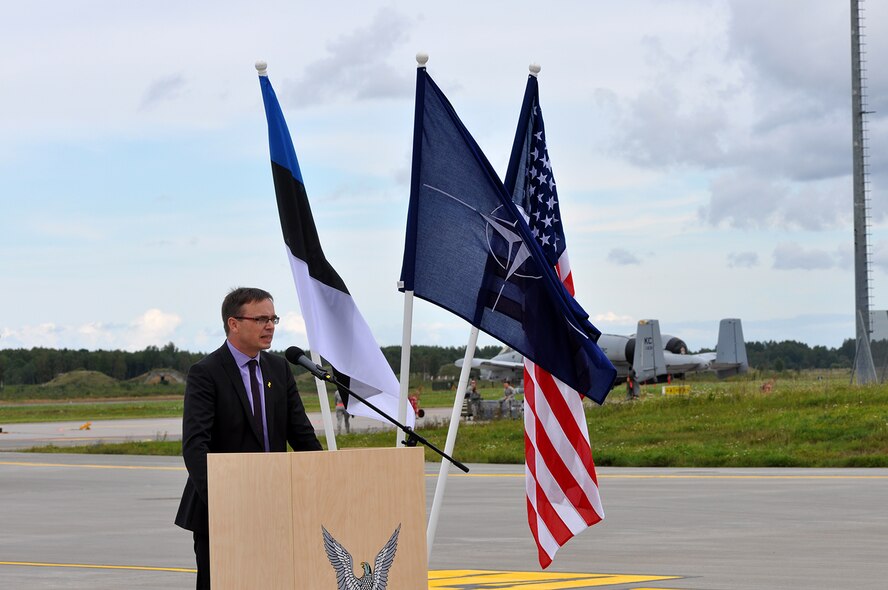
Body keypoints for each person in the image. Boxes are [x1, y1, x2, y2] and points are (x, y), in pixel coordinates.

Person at [175, 287, 322, 590]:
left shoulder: (279, 367)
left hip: (276, 507)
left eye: (273, 319)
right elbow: (195, 447)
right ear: (234, 323)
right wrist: (224, 500)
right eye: (261, 319)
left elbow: (302, 434)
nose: (269, 326)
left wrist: (327, 478)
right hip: (223, 512)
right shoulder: (206, 373)